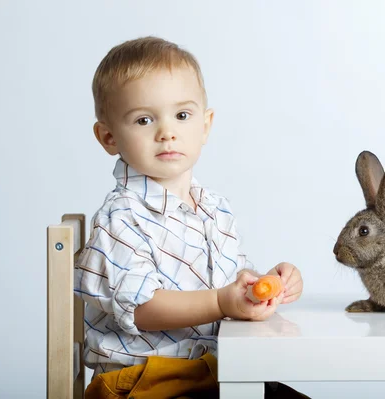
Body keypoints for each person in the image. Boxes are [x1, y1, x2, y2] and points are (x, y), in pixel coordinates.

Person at [75, 36, 307, 399]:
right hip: (144, 382)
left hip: (209, 372)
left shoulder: (214, 209)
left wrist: (263, 284)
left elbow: (228, 282)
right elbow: (142, 307)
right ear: (108, 137)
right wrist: (219, 302)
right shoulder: (121, 218)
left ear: (205, 124)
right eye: (144, 119)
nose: (167, 132)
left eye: (182, 115)